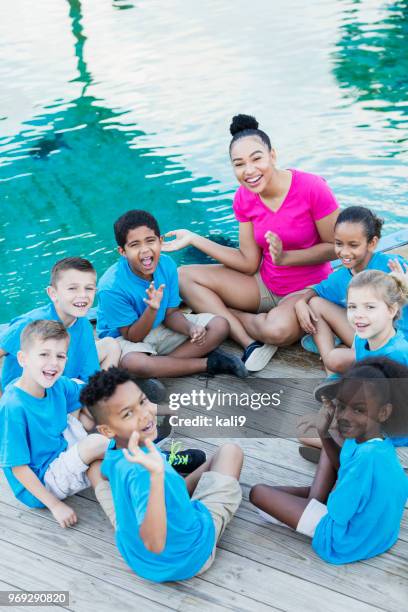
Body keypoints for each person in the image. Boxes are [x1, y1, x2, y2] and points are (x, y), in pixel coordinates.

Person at [162, 114, 339, 371]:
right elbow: (248, 262)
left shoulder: (312, 187)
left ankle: (223, 316)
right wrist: (194, 239)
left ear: (273, 155)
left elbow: (337, 247)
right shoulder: (244, 198)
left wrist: (287, 258)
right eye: (239, 164)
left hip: (307, 290)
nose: (249, 171)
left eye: (257, 158)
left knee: (276, 330)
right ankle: (248, 341)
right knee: (183, 276)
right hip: (264, 284)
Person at [80, 367, 243, 582]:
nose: (144, 415)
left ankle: (176, 490)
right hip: (186, 559)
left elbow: (106, 471)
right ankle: (178, 490)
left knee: (94, 470)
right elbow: (155, 544)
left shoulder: (115, 447)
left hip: (139, 558)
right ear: (107, 430)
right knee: (230, 452)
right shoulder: (146, 474)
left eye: (143, 401)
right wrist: (156, 476)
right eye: (128, 413)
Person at [250, 358, 408, 564]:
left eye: (359, 410)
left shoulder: (366, 460)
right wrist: (323, 432)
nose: (345, 416)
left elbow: (338, 512)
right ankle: (314, 495)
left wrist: (332, 491)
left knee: (258, 493)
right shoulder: (376, 442)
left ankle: (313, 496)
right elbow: (344, 467)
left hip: (347, 540)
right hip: (380, 532)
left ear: (384, 412)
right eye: (342, 406)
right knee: (329, 451)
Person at [97, 209, 248, 382]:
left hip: (159, 326)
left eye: (150, 241)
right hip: (124, 339)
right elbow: (133, 336)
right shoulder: (110, 287)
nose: (145, 250)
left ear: (160, 241)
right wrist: (152, 309)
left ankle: (158, 369)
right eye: (135, 245)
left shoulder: (167, 265)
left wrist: (190, 328)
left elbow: (170, 313)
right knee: (135, 363)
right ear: (122, 252)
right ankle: (210, 363)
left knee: (220, 325)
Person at [0, 320, 111, 528]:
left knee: (96, 454)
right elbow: (19, 468)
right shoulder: (12, 406)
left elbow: (91, 392)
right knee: (96, 443)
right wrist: (55, 505)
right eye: (44, 354)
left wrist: (135, 405)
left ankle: (118, 514)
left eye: (60, 356)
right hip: (42, 481)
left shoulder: (55, 384)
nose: (53, 363)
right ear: (23, 359)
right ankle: (154, 457)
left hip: (60, 447)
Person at [295, 206, 408, 373]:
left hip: (398, 345)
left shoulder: (391, 265)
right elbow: (316, 292)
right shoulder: (340, 277)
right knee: (316, 304)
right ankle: (329, 363)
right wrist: (300, 302)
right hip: (369, 340)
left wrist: (405, 284)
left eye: (353, 245)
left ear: (372, 243)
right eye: (339, 244)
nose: (344, 252)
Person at [0, 257, 121, 392]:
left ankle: (96, 398)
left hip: (61, 385)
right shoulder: (31, 324)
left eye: (89, 288)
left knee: (111, 345)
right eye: (72, 288)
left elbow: (90, 376)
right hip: (27, 396)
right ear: (53, 293)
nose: (82, 295)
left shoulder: (84, 326)